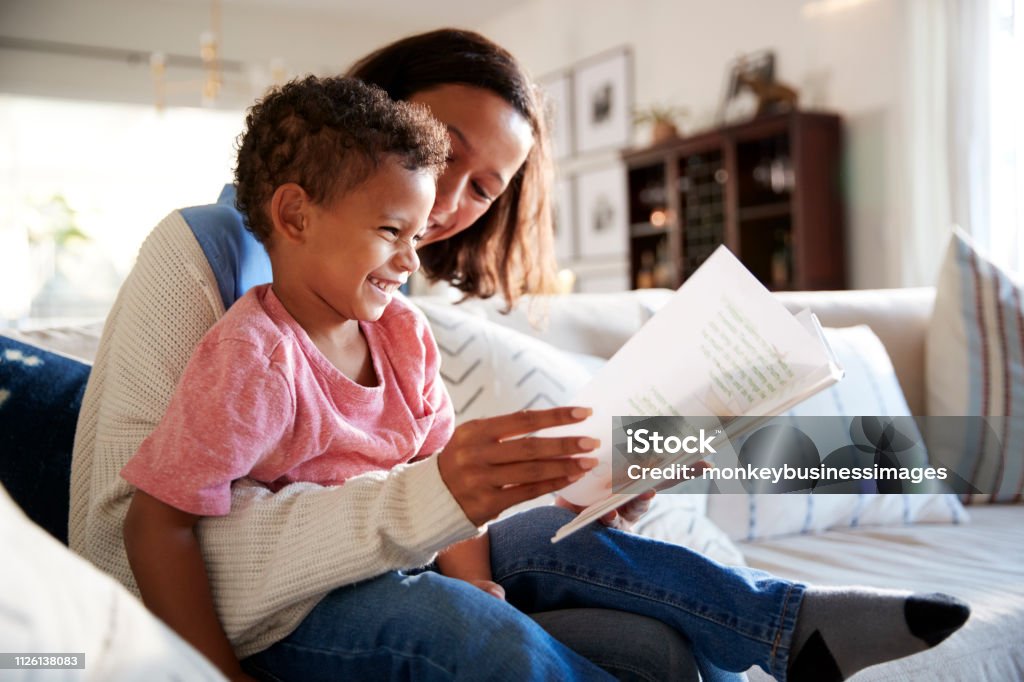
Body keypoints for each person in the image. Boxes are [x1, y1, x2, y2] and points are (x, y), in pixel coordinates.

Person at [71, 30, 969, 682]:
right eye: (440, 161)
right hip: (301, 600)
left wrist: (600, 482)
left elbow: (427, 475)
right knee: (475, 631)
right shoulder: (230, 304)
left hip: (414, 555)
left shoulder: (392, 315)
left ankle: (787, 623)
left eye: (479, 191)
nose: (442, 218)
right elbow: (143, 530)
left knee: (643, 638)